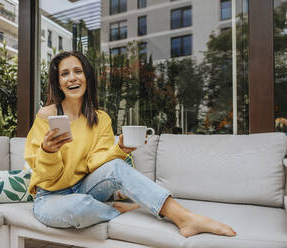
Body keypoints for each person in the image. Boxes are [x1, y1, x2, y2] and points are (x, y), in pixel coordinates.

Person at [24, 51, 236, 238]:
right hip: (50, 196)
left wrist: (119, 150)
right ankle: (117, 211)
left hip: (85, 186)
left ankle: (185, 218)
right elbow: (44, 177)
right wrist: (48, 152)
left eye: (78, 71)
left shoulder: (101, 118)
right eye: (65, 74)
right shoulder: (47, 115)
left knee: (117, 167)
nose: (72, 78)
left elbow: (92, 164)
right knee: (78, 207)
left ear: (87, 76)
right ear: (59, 82)